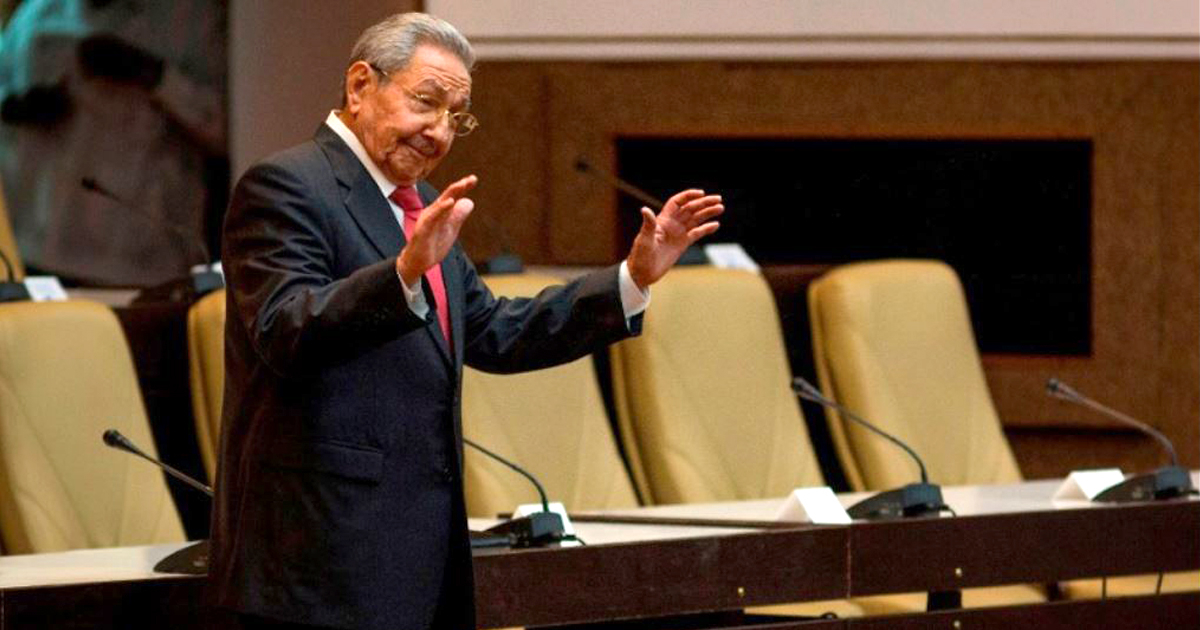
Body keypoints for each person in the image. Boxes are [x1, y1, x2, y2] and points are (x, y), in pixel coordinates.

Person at [210, 12, 723, 630]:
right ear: (359, 86)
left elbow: (493, 331)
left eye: (456, 116)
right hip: (319, 562)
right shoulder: (287, 186)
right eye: (426, 103)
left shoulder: (422, 205)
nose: (439, 131)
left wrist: (631, 279)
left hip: (416, 557)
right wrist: (401, 274)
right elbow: (284, 329)